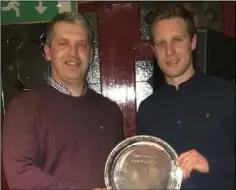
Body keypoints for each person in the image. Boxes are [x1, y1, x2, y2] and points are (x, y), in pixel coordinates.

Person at [2, 12, 124, 190]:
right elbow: (20, 174)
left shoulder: (110, 111)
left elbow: (119, 170)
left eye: (81, 45)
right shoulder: (24, 108)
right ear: (47, 51)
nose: (73, 53)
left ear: (91, 54)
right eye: (63, 43)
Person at [136, 3, 235, 190]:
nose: (169, 51)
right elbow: (145, 175)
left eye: (177, 40)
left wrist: (212, 164)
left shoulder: (228, 95)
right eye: (161, 43)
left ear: (193, 42)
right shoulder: (147, 109)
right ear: (154, 50)